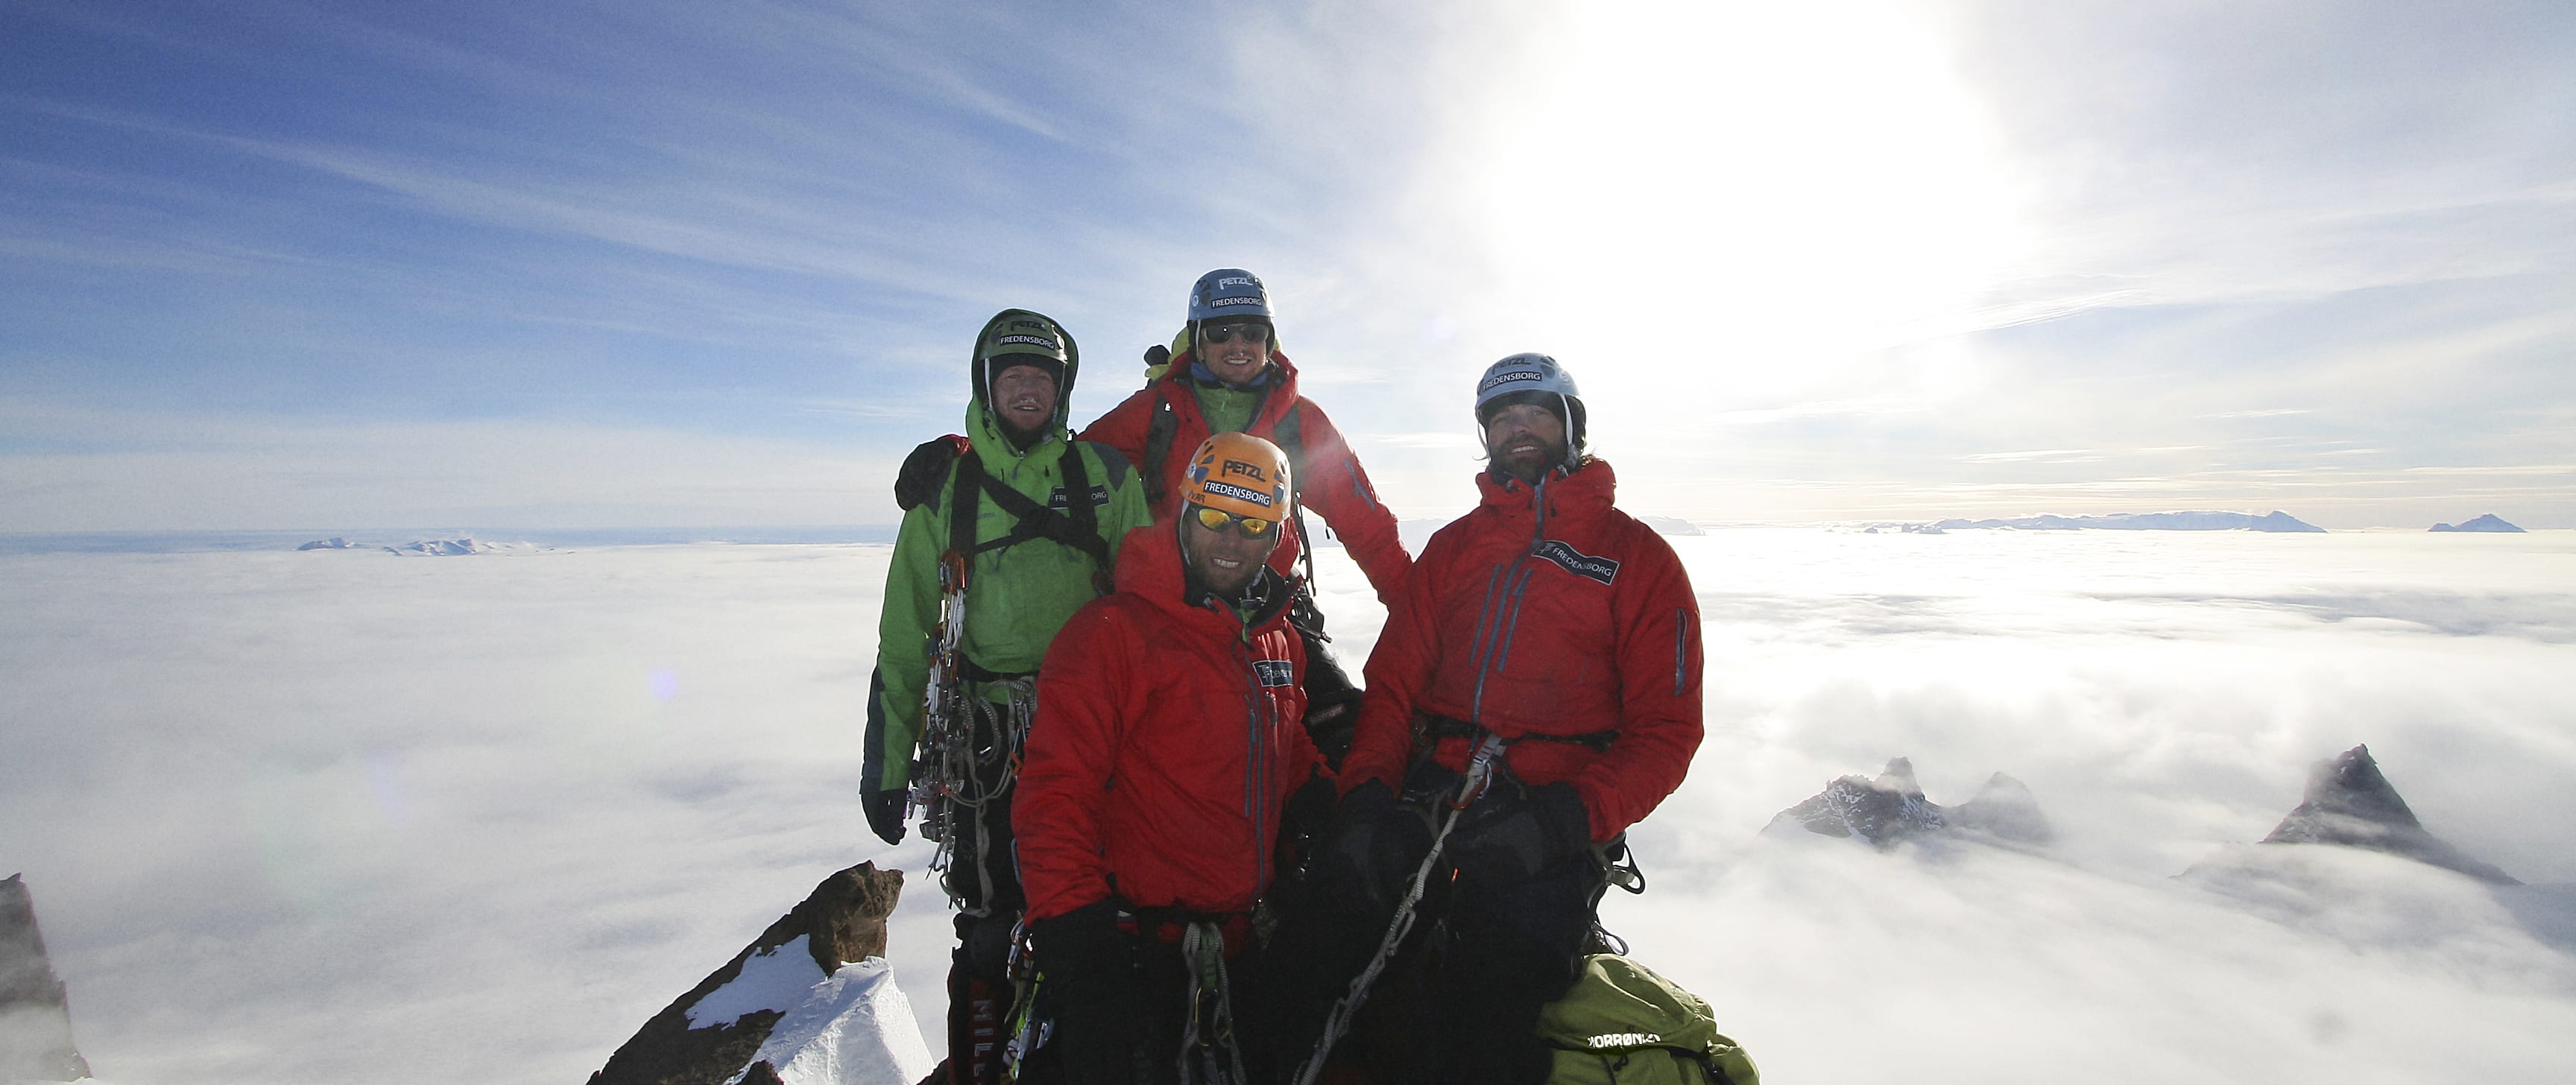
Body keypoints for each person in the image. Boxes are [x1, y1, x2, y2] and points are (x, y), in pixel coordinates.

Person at [1281, 353, 1705, 1085]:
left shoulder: (1639, 558)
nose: (1518, 428)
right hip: (1432, 785)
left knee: (1494, 992)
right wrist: (1367, 794)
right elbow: (1394, 688)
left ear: (1570, 425)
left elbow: (1667, 732)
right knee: (1323, 934)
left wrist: (1565, 821)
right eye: (1502, 418)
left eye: (1536, 411)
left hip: (1551, 808)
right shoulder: (1454, 549)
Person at [861, 309, 1152, 1085]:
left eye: (1042, 378)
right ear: (986, 387)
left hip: (1092, 722)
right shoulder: (945, 490)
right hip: (983, 733)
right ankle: (984, 1067)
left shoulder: (1104, 477)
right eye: (1013, 376)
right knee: (991, 920)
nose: (1028, 390)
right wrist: (886, 763)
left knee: (1095, 899)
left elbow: (1152, 607)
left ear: (1064, 390)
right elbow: (905, 635)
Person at [1011, 433, 1334, 1085]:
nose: (1230, 539)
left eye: (1253, 525)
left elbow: (1285, 739)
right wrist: (1078, 943)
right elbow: (1054, 794)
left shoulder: (1277, 640)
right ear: (1183, 513)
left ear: (1276, 536)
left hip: (1240, 947)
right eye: (1214, 515)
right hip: (1134, 953)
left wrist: (1325, 800)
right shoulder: (1112, 634)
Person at [1078, 268, 1412, 765]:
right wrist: (966, 460)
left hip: (1270, 613)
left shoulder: (1300, 422)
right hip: (1170, 613)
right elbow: (1064, 469)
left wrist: (1420, 621)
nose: (1237, 344)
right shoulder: (1155, 413)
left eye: (1252, 331)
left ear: (1269, 341)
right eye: (1220, 331)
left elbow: (1369, 528)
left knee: (1339, 739)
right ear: (1197, 340)